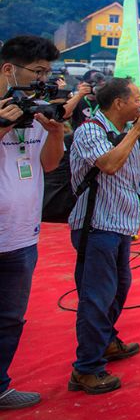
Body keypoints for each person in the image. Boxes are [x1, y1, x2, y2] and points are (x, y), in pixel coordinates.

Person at [68, 78, 140, 393]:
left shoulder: (128, 132)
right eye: (136, 99)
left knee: (118, 289)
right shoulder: (90, 131)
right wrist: (137, 131)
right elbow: (110, 165)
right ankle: (86, 368)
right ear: (118, 103)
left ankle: (106, 341)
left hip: (121, 224)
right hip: (96, 224)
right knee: (97, 297)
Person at [0, 36, 66, 410]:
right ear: (9, 69)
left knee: (10, 318)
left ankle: (0, 385)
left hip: (23, 234)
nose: (43, 81)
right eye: (37, 72)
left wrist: (55, 134)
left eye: (47, 74)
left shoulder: (36, 110)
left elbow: (49, 164)